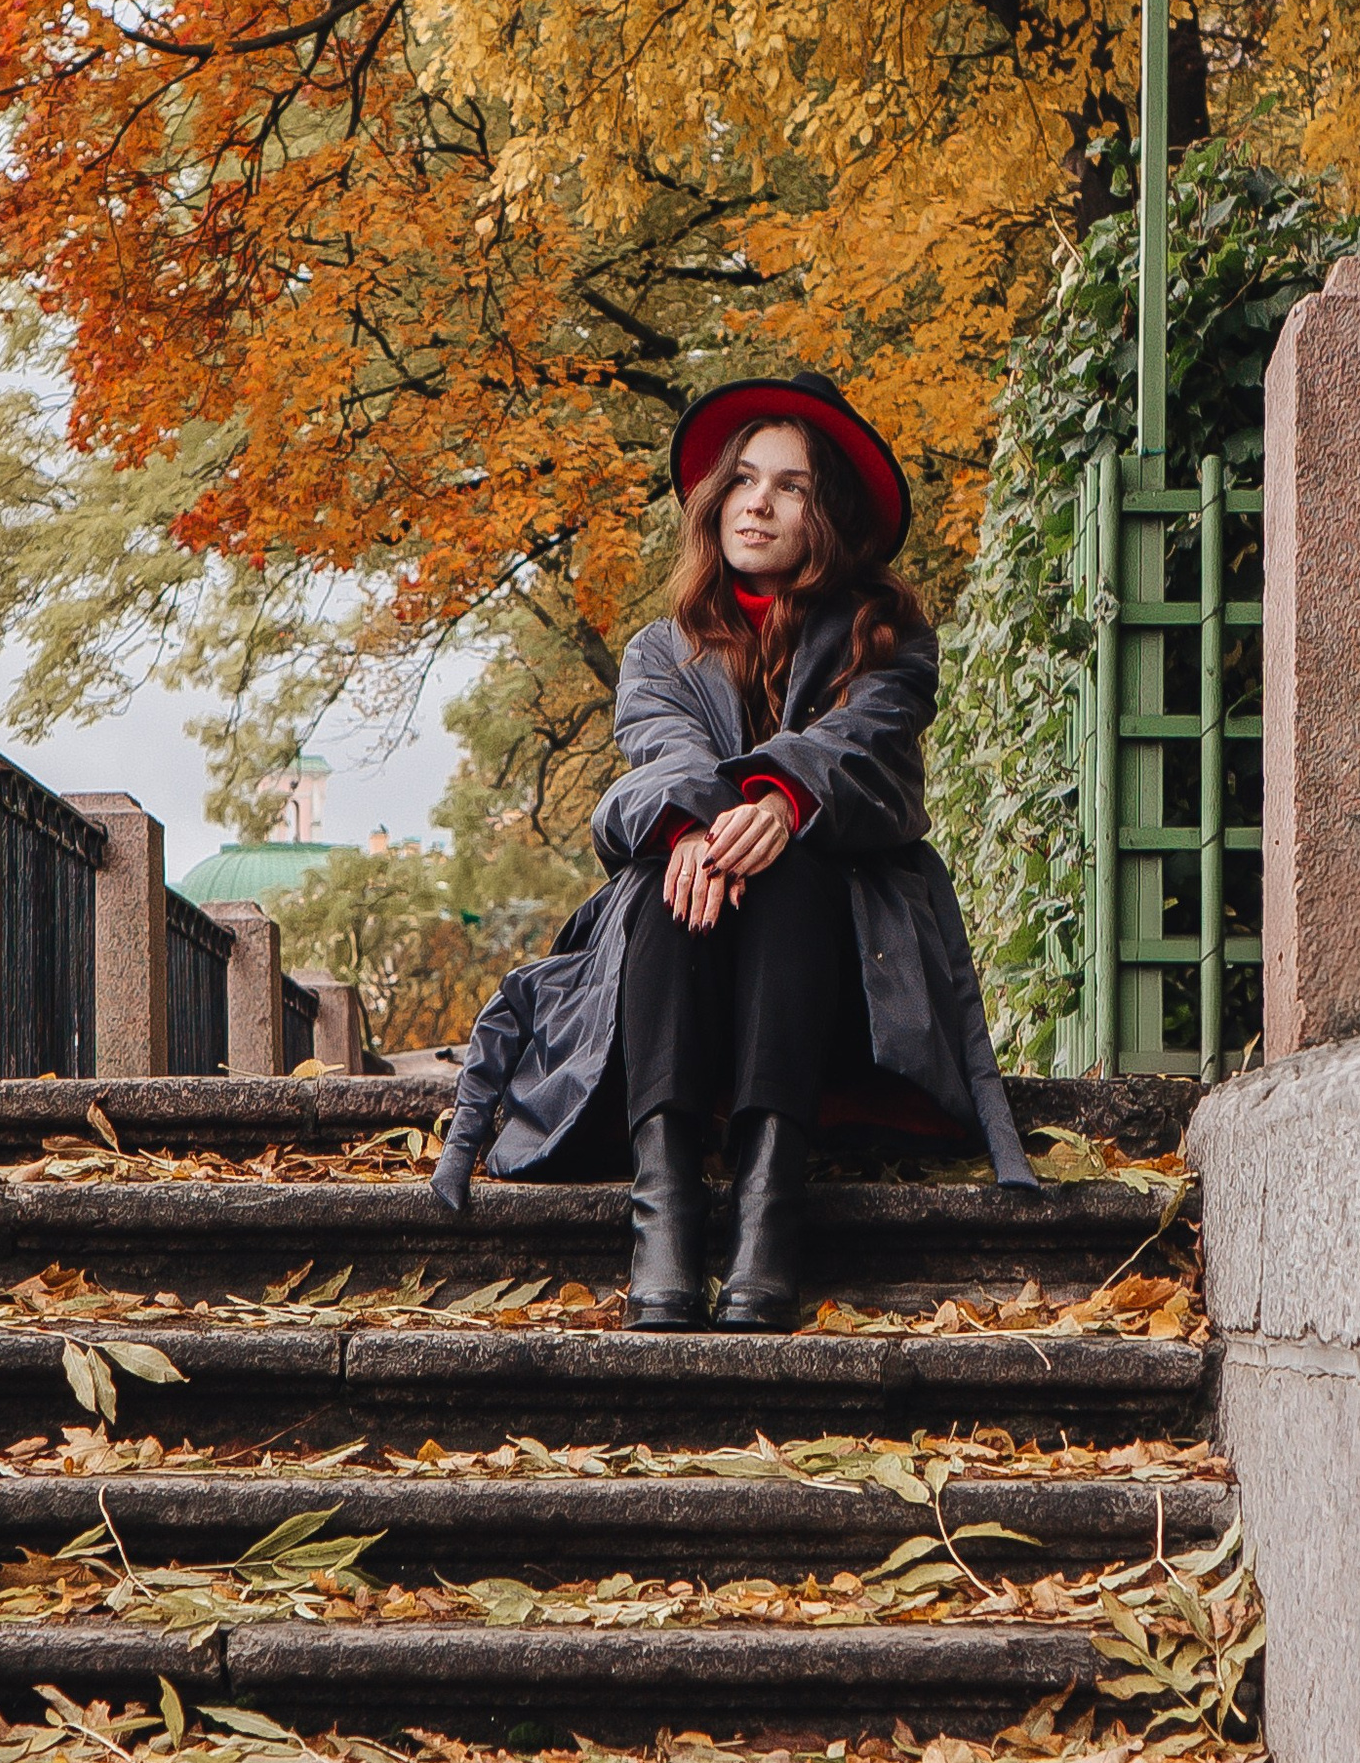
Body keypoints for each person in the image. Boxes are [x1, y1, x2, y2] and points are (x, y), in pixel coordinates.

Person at [430, 370, 1042, 1324]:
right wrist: (698, 828)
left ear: (826, 511)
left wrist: (778, 801)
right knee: (674, 872)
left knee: (789, 863)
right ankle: (664, 1228)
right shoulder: (657, 650)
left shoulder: (889, 641)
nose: (757, 500)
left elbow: (862, 753)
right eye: (745, 478)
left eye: (790, 485)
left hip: (840, 996)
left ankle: (767, 1226)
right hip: (680, 988)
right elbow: (659, 755)